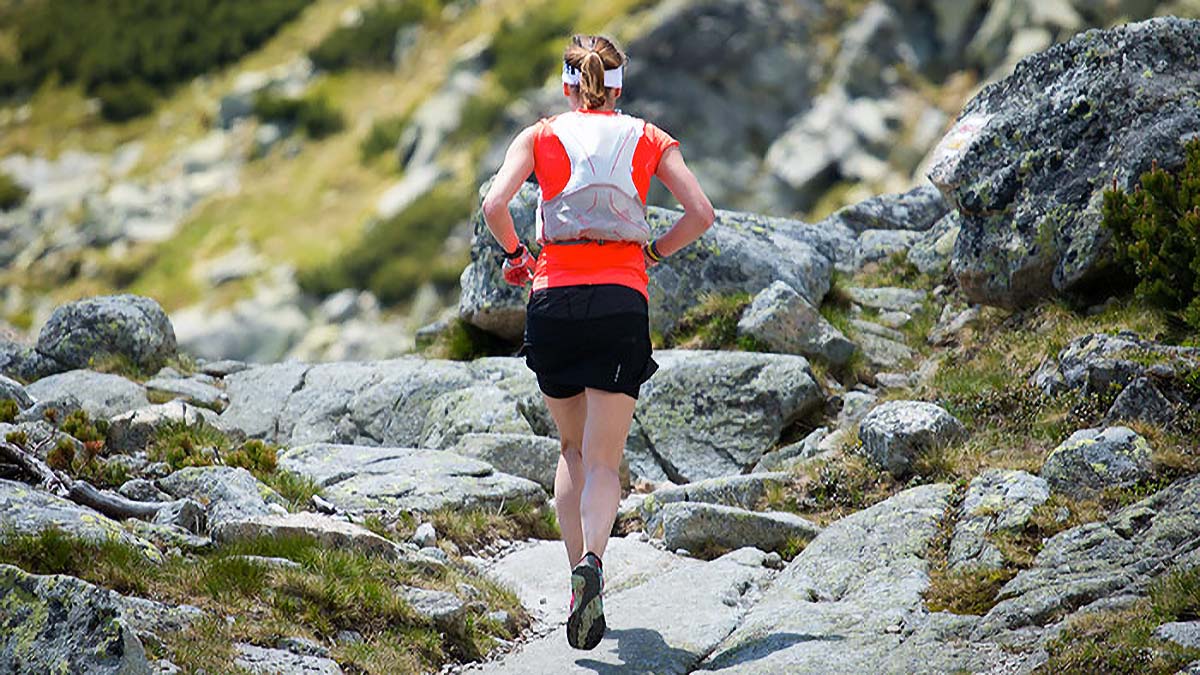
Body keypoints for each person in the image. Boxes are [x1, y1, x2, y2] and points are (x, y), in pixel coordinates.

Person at [480, 33, 714, 651]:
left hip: (552, 296)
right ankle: (596, 567)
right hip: (620, 299)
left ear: (567, 84)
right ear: (618, 86)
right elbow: (701, 212)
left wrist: (519, 257)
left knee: (571, 448)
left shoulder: (539, 135)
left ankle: (575, 575)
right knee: (606, 460)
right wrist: (653, 252)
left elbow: (495, 202)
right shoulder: (648, 137)